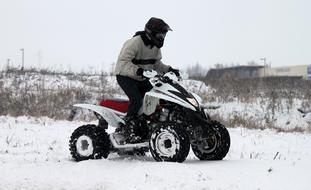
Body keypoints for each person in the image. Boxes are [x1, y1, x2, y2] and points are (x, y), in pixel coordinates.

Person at [114, 17, 180, 143]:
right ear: (151, 33)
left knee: (155, 98)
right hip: (125, 75)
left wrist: (169, 69)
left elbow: (156, 64)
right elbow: (123, 63)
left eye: (164, 35)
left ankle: (144, 127)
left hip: (141, 77)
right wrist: (139, 71)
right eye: (160, 35)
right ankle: (126, 129)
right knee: (137, 100)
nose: (162, 38)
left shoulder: (155, 46)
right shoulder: (135, 43)